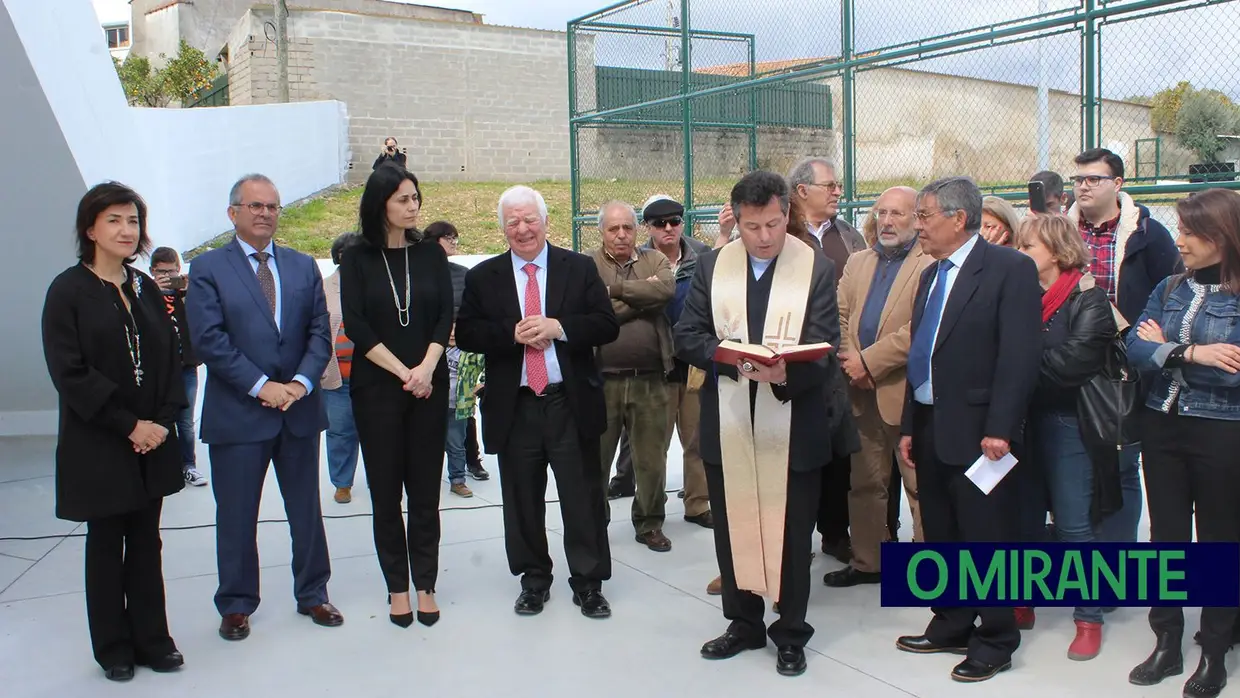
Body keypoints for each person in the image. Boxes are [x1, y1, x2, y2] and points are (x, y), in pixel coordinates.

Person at [676, 170, 842, 677]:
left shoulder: (814, 268)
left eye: (773, 223)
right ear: (736, 220)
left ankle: (790, 632)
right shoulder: (711, 266)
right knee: (734, 528)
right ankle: (743, 622)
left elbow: (825, 346)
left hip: (792, 424)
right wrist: (732, 360)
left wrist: (784, 371)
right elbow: (688, 334)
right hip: (729, 419)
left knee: (792, 536)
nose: (765, 236)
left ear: (786, 214)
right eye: (752, 226)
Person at [895, 176, 1042, 683]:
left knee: (986, 538)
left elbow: (1019, 357)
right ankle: (953, 620)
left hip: (984, 434)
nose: (918, 226)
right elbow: (923, 355)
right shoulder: (930, 275)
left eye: (925, 216)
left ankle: (996, 637)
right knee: (942, 531)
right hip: (933, 423)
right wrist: (912, 423)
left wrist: (1001, 427)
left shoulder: (1009, 270)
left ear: (958, 218)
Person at [186, 174, 341, 642]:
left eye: (272, 206)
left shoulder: (300, 266)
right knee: (236, 514)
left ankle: (313, 592)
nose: (265, 213)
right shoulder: (209, 268)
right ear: (233, 213)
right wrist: (261, 387)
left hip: (296, 409)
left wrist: (297, 383)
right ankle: (236, 604)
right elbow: (209, 340)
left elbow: (320, 332)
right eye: (254, 206)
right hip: (239, 413)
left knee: (305, 511)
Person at [42, 182, 186, 681]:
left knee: (147, 541)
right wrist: (129, 425)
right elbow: (70, 372)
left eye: (133, 221)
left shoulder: (144, 286)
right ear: (90, 229)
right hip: (101, 441)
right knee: (106, 545)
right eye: (115, 221)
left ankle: (153, 639)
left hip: (153, 440)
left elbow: (170, 358)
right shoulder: (68, 290)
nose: (127, 231)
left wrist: (161, 422)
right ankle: (113, 647)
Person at [455, 185, 619, 618]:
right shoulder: (483, 277)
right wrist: (510, 333)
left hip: (569, 402)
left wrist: (559, 327)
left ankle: (588, 582)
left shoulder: (578, 268)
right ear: (502, 228)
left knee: (582, 497)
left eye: (530, 219)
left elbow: (606, 324)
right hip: (517, 405)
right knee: (522, 498)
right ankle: (533, 579)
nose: (523, 229)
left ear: (546, 222)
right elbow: (468, 332)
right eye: (513, 222)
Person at [1126, 188, 1240, 698]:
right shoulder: (1172, 285)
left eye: (1192, 233)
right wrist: (1193, 352)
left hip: (1222, 430)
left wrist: (1164, 347)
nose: (1182, 241)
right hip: (1161, 425)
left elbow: (1233, 373)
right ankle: (1166, 642)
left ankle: (1214, 651)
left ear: (1223, 237)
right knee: (1166, 540)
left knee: (1219, 542)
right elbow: (1134, 346)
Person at [1016, 213, 1140, 661]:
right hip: (1024, 423)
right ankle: (1022, 601)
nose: (1020, 253)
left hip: (1071, 426)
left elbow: (1072, 365)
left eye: (1028, 247)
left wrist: (1015, 371)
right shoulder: (1020, 295)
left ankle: (1088, 618)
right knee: (1024, 521)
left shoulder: (1090, 300)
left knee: (1073, 526)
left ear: (1057, 251)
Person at [340, 167, 453, 627]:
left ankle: (425, 583)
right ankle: (397, 587)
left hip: (428, 384)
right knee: (386, 495)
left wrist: (425, 369)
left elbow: (444, 314)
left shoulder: (430, 254)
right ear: (380, 203)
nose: (413, 206)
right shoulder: (356, 257)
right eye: (404, 199)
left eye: (416, 197)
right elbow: (356, 324)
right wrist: (402, 371)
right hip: (378, 389)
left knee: (425, 493)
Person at [826, 186, 931, 588]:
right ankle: (869, 561)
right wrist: (853, 362)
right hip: (859, 390)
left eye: (897, 214)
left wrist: (869, 362)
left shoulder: (930, 264)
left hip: (905, 394)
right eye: (881, 212)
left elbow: (918, 329)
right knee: (865, 483)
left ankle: (926, 573)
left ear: (917, 218)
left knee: (919, 488)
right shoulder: (858, 262)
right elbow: (839, 315)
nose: (886, 221)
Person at [149, 246, 208, 487]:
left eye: (171, 271)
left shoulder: (185, 293)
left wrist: (185, 291)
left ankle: (188, 466)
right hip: (160, 369)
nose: (167, 276)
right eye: (162, 272)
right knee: (163, 419)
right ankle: (168, 467)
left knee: (185, 421)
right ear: (153, 271)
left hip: (186, 366)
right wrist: (155, 291)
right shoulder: (145, 294)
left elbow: (200, 315)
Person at [321, 232, 361, 504]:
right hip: (337, 377)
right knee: (340, 431)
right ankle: (342, 482)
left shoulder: (374, 285)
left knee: (378, 433)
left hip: (372, 377)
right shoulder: (324, 287)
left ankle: (380, 481)